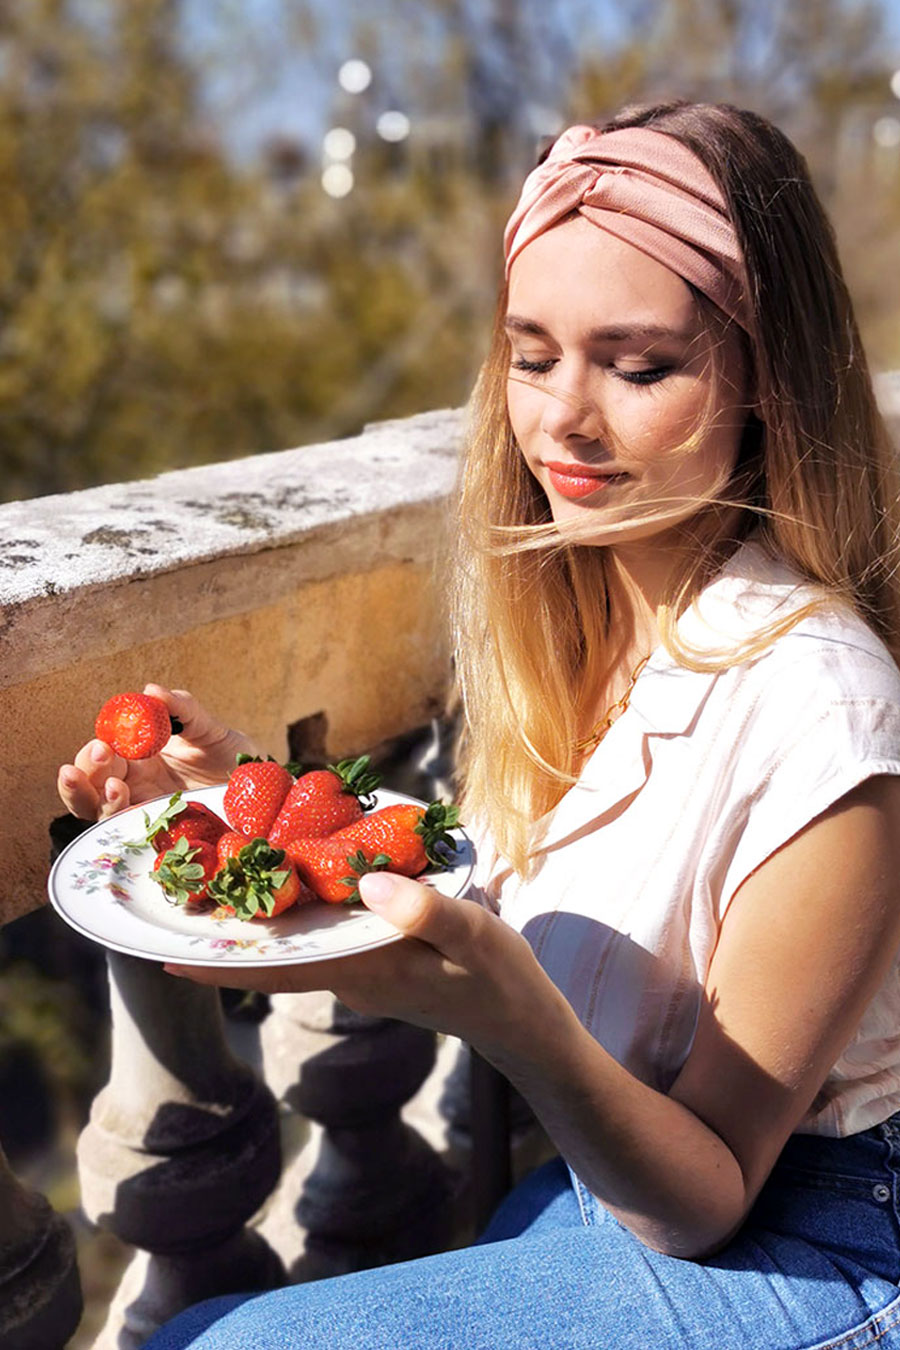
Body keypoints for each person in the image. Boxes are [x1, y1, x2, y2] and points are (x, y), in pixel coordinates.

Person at [58, 99, 900, 1349]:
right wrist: (253, 814)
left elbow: (713, 1194)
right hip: (605, 1182)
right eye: (532, 352)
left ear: (769, 380)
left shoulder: (828, 718)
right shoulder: (573, 628)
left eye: (639, 365)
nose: (564, 417)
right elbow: (458, 905)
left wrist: (511, 1018)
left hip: (813, 1237)